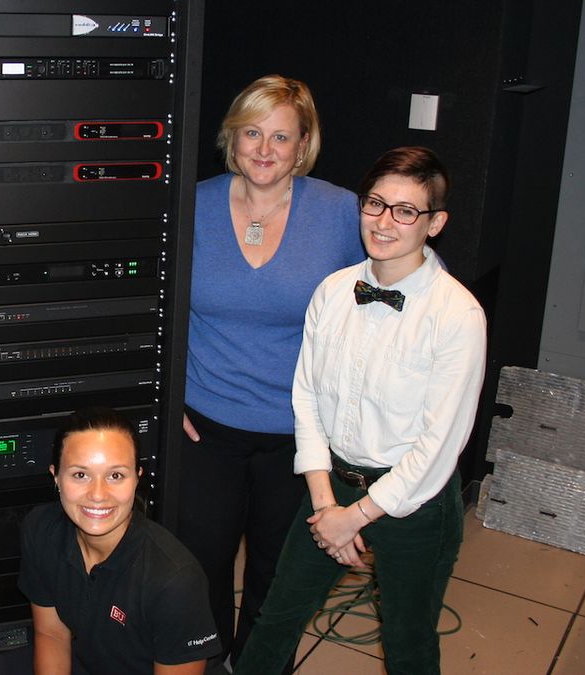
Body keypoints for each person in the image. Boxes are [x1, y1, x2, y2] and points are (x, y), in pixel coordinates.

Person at [234, 147, 486, 674]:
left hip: (415, 503)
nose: (384, 222)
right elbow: (306, 396)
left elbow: (438, 448)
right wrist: (326, 507)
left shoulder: (457, 315)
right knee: (274, 620)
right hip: (331, 490)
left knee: (408, 642)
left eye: (406, 210)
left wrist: (356, 518)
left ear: (435, 223)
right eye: (375, 204)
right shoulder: (332, 290)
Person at [178, 74, 366, 663]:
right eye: (251, 133)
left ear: (303, 144)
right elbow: (154, 308)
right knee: (197, 564)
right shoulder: (191, 203)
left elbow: (368, 317)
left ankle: (262, 661)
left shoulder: (339, 212)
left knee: (275, 568)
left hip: (298, 434)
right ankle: (207, 662)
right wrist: (163, 402)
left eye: (280, 137)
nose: (264, 149)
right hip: (203, 426)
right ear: (231, 139)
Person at [12, 407, 221, 675]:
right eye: (80, 475)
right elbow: (52, 635)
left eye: (116, 476)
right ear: (56, 477)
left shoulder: (175, 581)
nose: (98, 494)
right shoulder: (40, 530)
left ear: (137, 478)